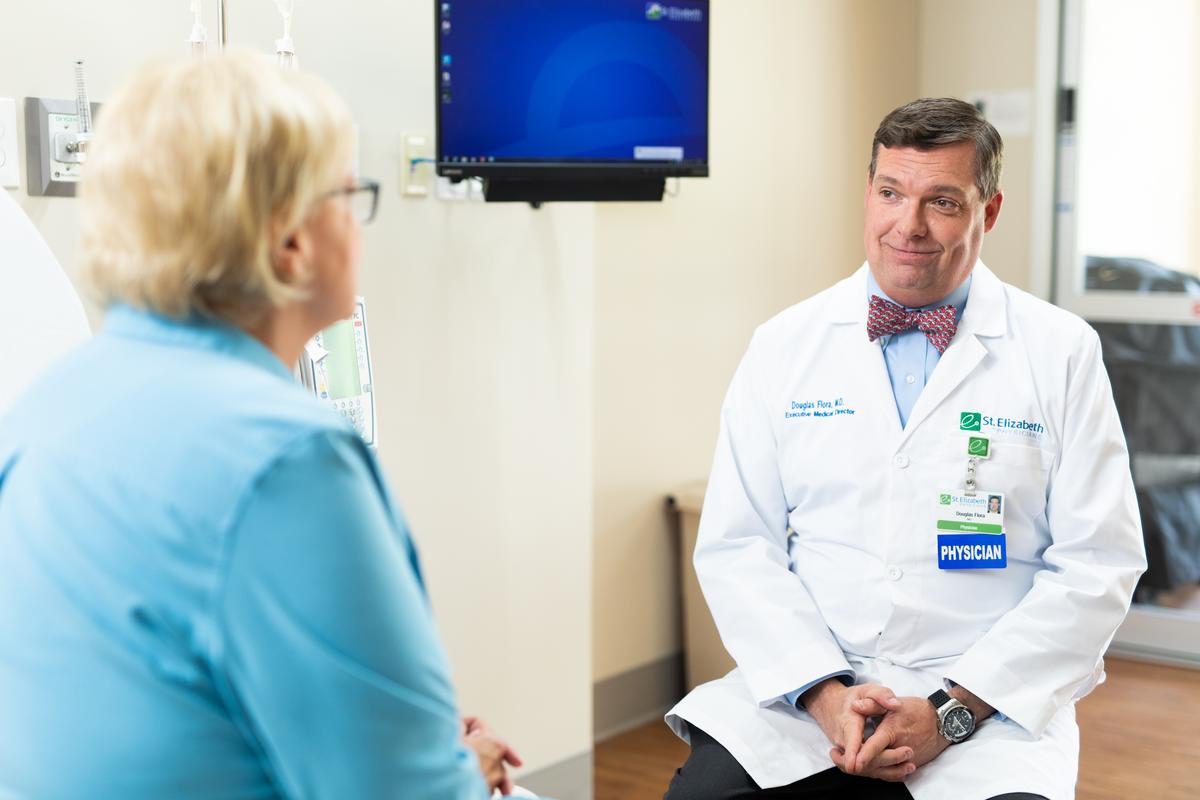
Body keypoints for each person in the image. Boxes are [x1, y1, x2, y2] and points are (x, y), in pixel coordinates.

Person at [0, 53, 522, 799]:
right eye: (350, 195)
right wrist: (458, 766)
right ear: (290, 241)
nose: (358, 224)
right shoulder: (286, 459)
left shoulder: (46, 407)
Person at [663, 98, 1146, 800]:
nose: (908, 226)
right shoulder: (785, 346)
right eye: (891, 193)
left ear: (990, 211)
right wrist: (825, 694)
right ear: (868, 194)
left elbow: (1098, 563)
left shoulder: (1061, 352)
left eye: (942, 202)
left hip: (987, 708)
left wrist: (950, 714)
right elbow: (739, 546)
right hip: (814, 697)